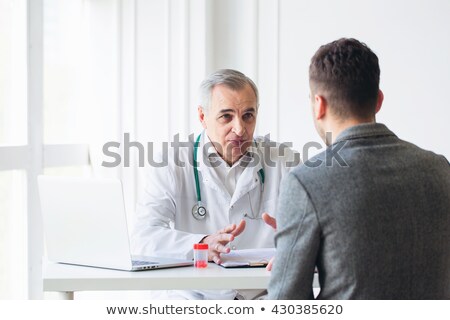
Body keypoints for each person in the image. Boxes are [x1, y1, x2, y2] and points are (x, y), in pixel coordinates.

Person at [268, 38, 450, 299]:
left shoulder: (305, 182)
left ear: (319, 104)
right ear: (378, 100)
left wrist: (292, 247)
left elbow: (284, 304)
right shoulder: (440, 169)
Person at [133, 69, 295, 299]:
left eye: (248, 115)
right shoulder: (171, 162)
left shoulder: (283, 161)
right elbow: (143, 237)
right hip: (193, 297)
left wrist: (296, 247)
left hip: (262, 295)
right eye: (226, 116)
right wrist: (201, 244)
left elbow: (314, 232)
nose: (239, 129)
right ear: (202, 117)